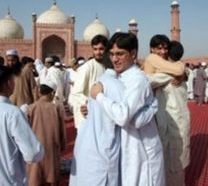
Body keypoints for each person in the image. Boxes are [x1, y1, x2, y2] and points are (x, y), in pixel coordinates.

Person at [70, 32, 164, 186]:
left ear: (133, 54)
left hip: (142, 151)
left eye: (120, 54)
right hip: (127, 151)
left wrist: (99, 96)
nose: (114, 59)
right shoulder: (118, 77)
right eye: (112, 54)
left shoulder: (137, 80)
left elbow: (122, 116)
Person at [146, 40, 190, 186]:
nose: (162, 53)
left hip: (173, 123)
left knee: (173, 162)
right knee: (173, 160)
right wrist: (183, 72)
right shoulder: (177, 71)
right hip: (176, 121)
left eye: (165, 49)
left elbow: (146, 80)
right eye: (159, 49)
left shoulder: (165, 76)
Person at [27, 81, 66, 186]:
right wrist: (62, 144)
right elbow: (62, 130)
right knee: (52, 174)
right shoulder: (55, 108)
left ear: (39, 92)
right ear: (52, 93)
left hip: (35, 147)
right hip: (51, 146)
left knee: (35, 175)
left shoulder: (30, 108)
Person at [69, 34, 108, 129]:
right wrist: (87, 104)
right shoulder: (87, 67)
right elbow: (76, 92)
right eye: (95, 49)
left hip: (103, 114)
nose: (98, 52)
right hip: (87, 115)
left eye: (101, 49)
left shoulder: (108, 67)